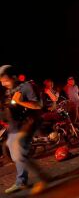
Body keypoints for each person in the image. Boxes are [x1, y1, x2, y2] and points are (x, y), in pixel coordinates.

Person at [0, 65, 48, 195]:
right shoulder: (8, 90)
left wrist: (20, 102)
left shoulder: (26, 87)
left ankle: (41, 178)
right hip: (14, 126)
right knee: (13, 150)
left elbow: (38, 105)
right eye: (1, 80)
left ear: (13, 77)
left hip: (27, 124)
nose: (3, 83)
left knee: (18, 151)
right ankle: (22, 181)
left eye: (5, 79)